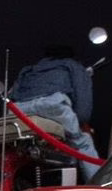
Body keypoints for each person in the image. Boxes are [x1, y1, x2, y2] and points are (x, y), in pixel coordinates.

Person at [10, 43, 100, 178]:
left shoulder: (28, 70)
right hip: (51, 104)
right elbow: (83, 99)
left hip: (19, 110)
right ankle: (99, 186)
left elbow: (12, 94)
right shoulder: (72, 65)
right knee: (83, 143)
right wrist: (81, 122)